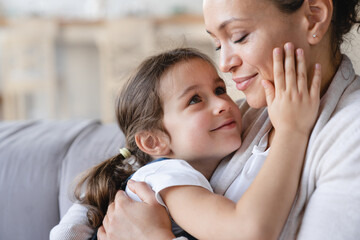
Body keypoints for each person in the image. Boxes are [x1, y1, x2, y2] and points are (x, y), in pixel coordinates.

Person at [97, 0, 360, 239]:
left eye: (239, 36)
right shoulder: (245, 114)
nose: (224, 64)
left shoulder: (350, 134)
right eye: (218, 44)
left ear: (314, 17)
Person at [50, 46, 320, 240]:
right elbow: (247, 231)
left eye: (219, 90)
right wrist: (290, 131)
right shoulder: (167, 177)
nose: (223, 105)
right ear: (154, 142)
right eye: (194, 100)